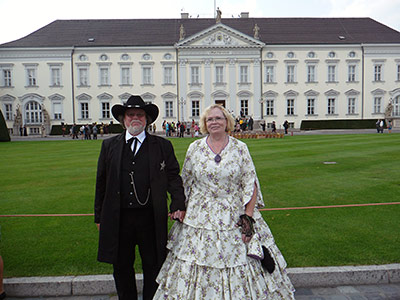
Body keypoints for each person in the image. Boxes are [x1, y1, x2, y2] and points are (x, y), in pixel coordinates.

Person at [153, 104, 295, 299]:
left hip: (233, 214)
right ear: (204, 124)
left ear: (227, 121)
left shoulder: (240, 148)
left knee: (240, 262)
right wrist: (180, 207)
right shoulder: (195, 148)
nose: (214, 122)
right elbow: (185, 182)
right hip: (199, 216)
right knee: (196, 261)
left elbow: (250, 184)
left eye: (218, 118)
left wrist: (249, 218)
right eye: (210, 119)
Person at [94, 95, 186, 300]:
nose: (135, 118)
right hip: (119, 218)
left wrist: (178, 203)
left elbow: (173, 177)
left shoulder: (162, 145)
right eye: (130, 114)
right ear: (123, 119)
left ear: (147, 119)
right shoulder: (109, 146)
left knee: (153, 265)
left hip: (150, 217)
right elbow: (101, 182)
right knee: (121, 265)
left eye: (140, 114)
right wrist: (99, 216)